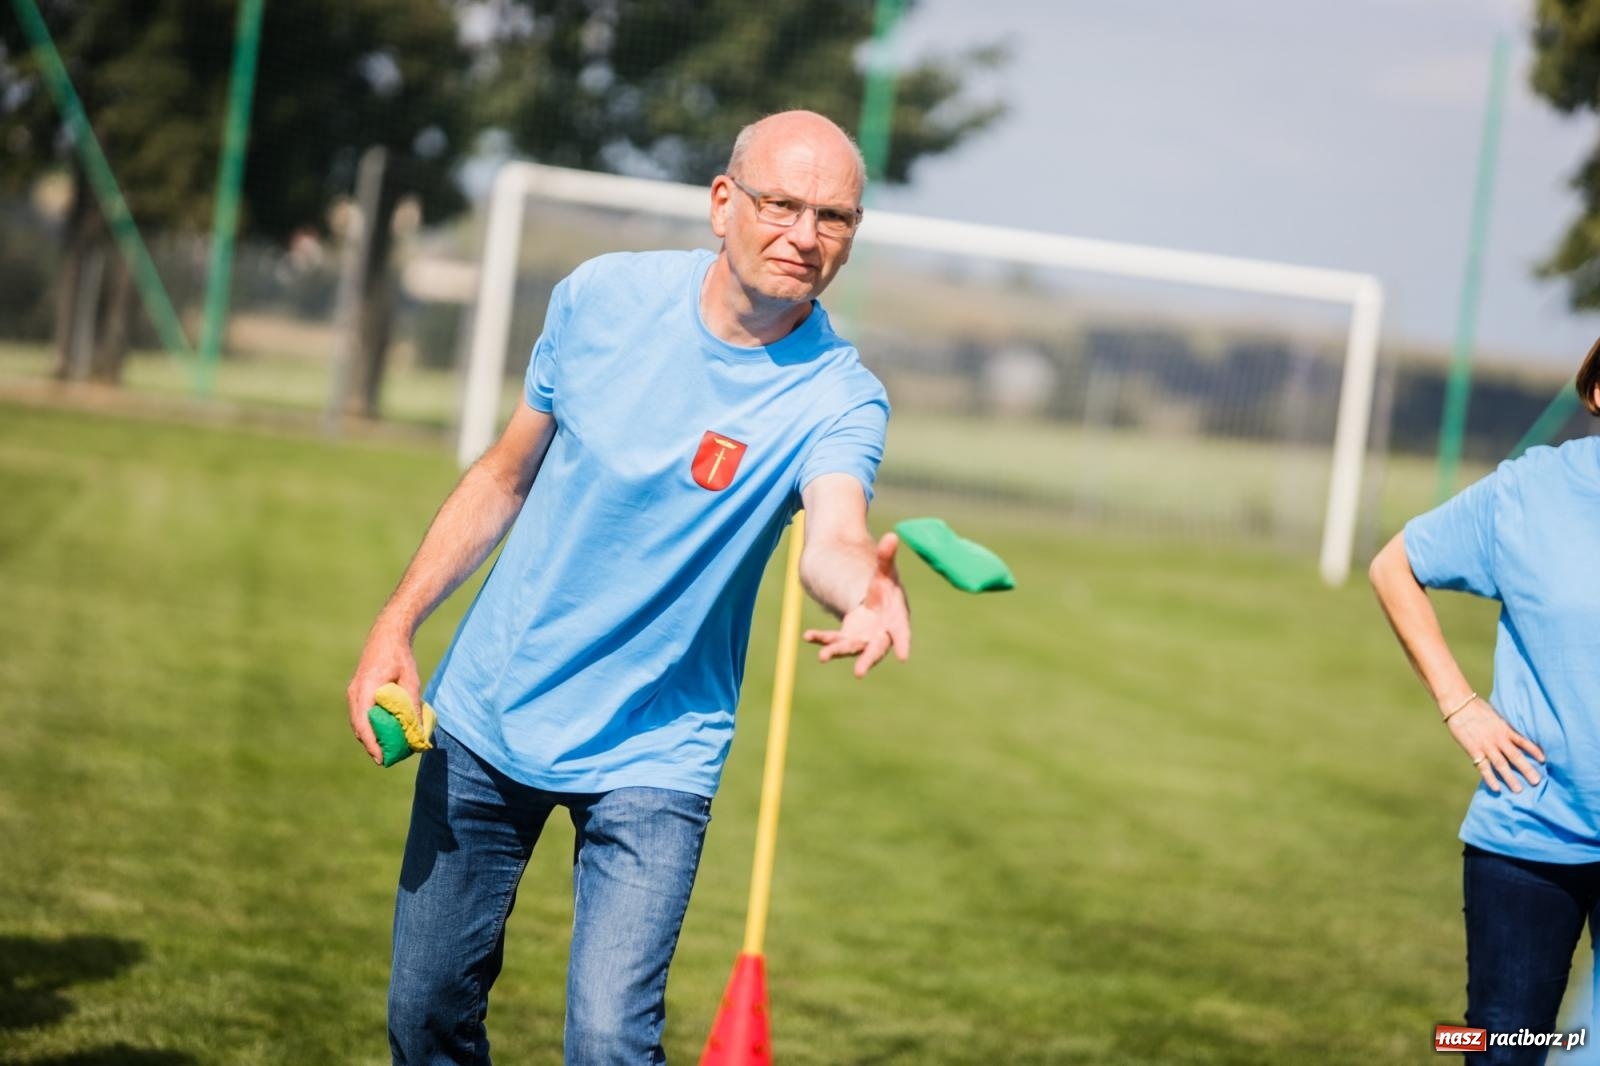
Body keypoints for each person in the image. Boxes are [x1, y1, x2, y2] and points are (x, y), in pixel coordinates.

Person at [345, 109, 911, 1065]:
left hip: (658, 748)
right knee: (424, 1018)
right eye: (782, 205)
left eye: (834, 218)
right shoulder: (600, 298)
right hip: (490, 709)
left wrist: (862, 587)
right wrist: (396, 623)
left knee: (610, 1041)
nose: (805, 237)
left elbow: (836, 532)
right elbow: (504, 474)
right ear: (724, 203)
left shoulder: (839, 395)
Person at [1369, 340, 1600, 1063]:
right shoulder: (1526, 493)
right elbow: (1394, 565)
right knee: (1497, 1043)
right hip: (1529, 831)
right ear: (1597, 392)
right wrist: (1460, 703)